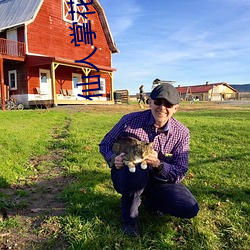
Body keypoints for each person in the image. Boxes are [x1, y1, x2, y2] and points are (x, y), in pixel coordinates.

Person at [99, 84, 199, 237]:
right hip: (128, 174)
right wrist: (113, 159)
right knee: (137, 170)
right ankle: (130, 220)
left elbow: (180, 171)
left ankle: (150, 200)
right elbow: (105, 144)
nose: (162, 108)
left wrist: (159, 165)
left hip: (159, 179)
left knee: (189, 207)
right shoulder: (129, 121)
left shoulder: (182, 133)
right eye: (158, 102)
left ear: (176, 108)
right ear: (150, 102)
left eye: (168, 104)